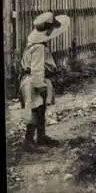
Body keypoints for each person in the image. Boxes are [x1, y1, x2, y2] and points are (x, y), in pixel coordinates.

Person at [18, 12, 70, 152]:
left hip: (34, 79)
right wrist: (40, 87)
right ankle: (28, 142)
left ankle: (41, 137)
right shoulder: (39, 47)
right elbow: (36, 69)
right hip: (34, 81)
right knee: (35, 110)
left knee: (41, 109)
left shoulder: (34, 44)